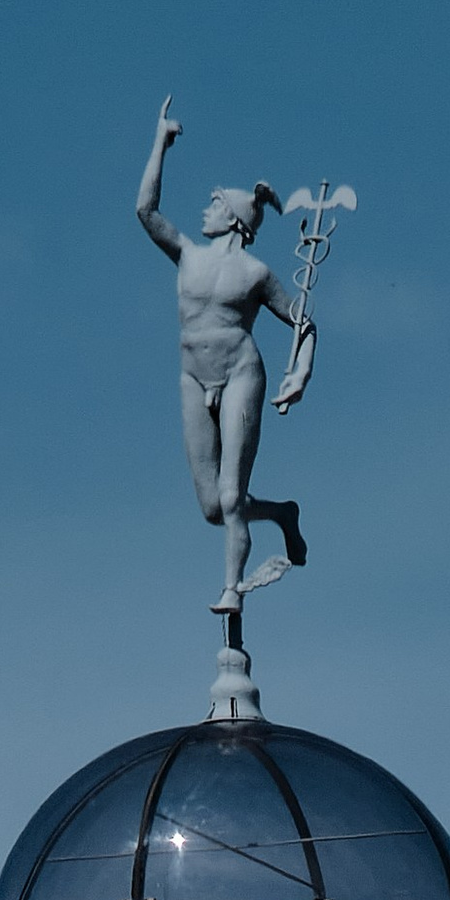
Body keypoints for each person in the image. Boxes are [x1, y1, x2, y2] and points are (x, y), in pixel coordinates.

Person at [135, 98, 313, 614]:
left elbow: (302, 321)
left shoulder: (256, 275)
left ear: (234, 219)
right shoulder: (188, 255)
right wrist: (159, 144)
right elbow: (145, 211)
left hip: (240, 373)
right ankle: (282, 514)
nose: (204, 212)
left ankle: (231, 588)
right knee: (214, 507)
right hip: (193, 376)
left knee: (233, 496)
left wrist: (301, 370)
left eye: (214, 206)